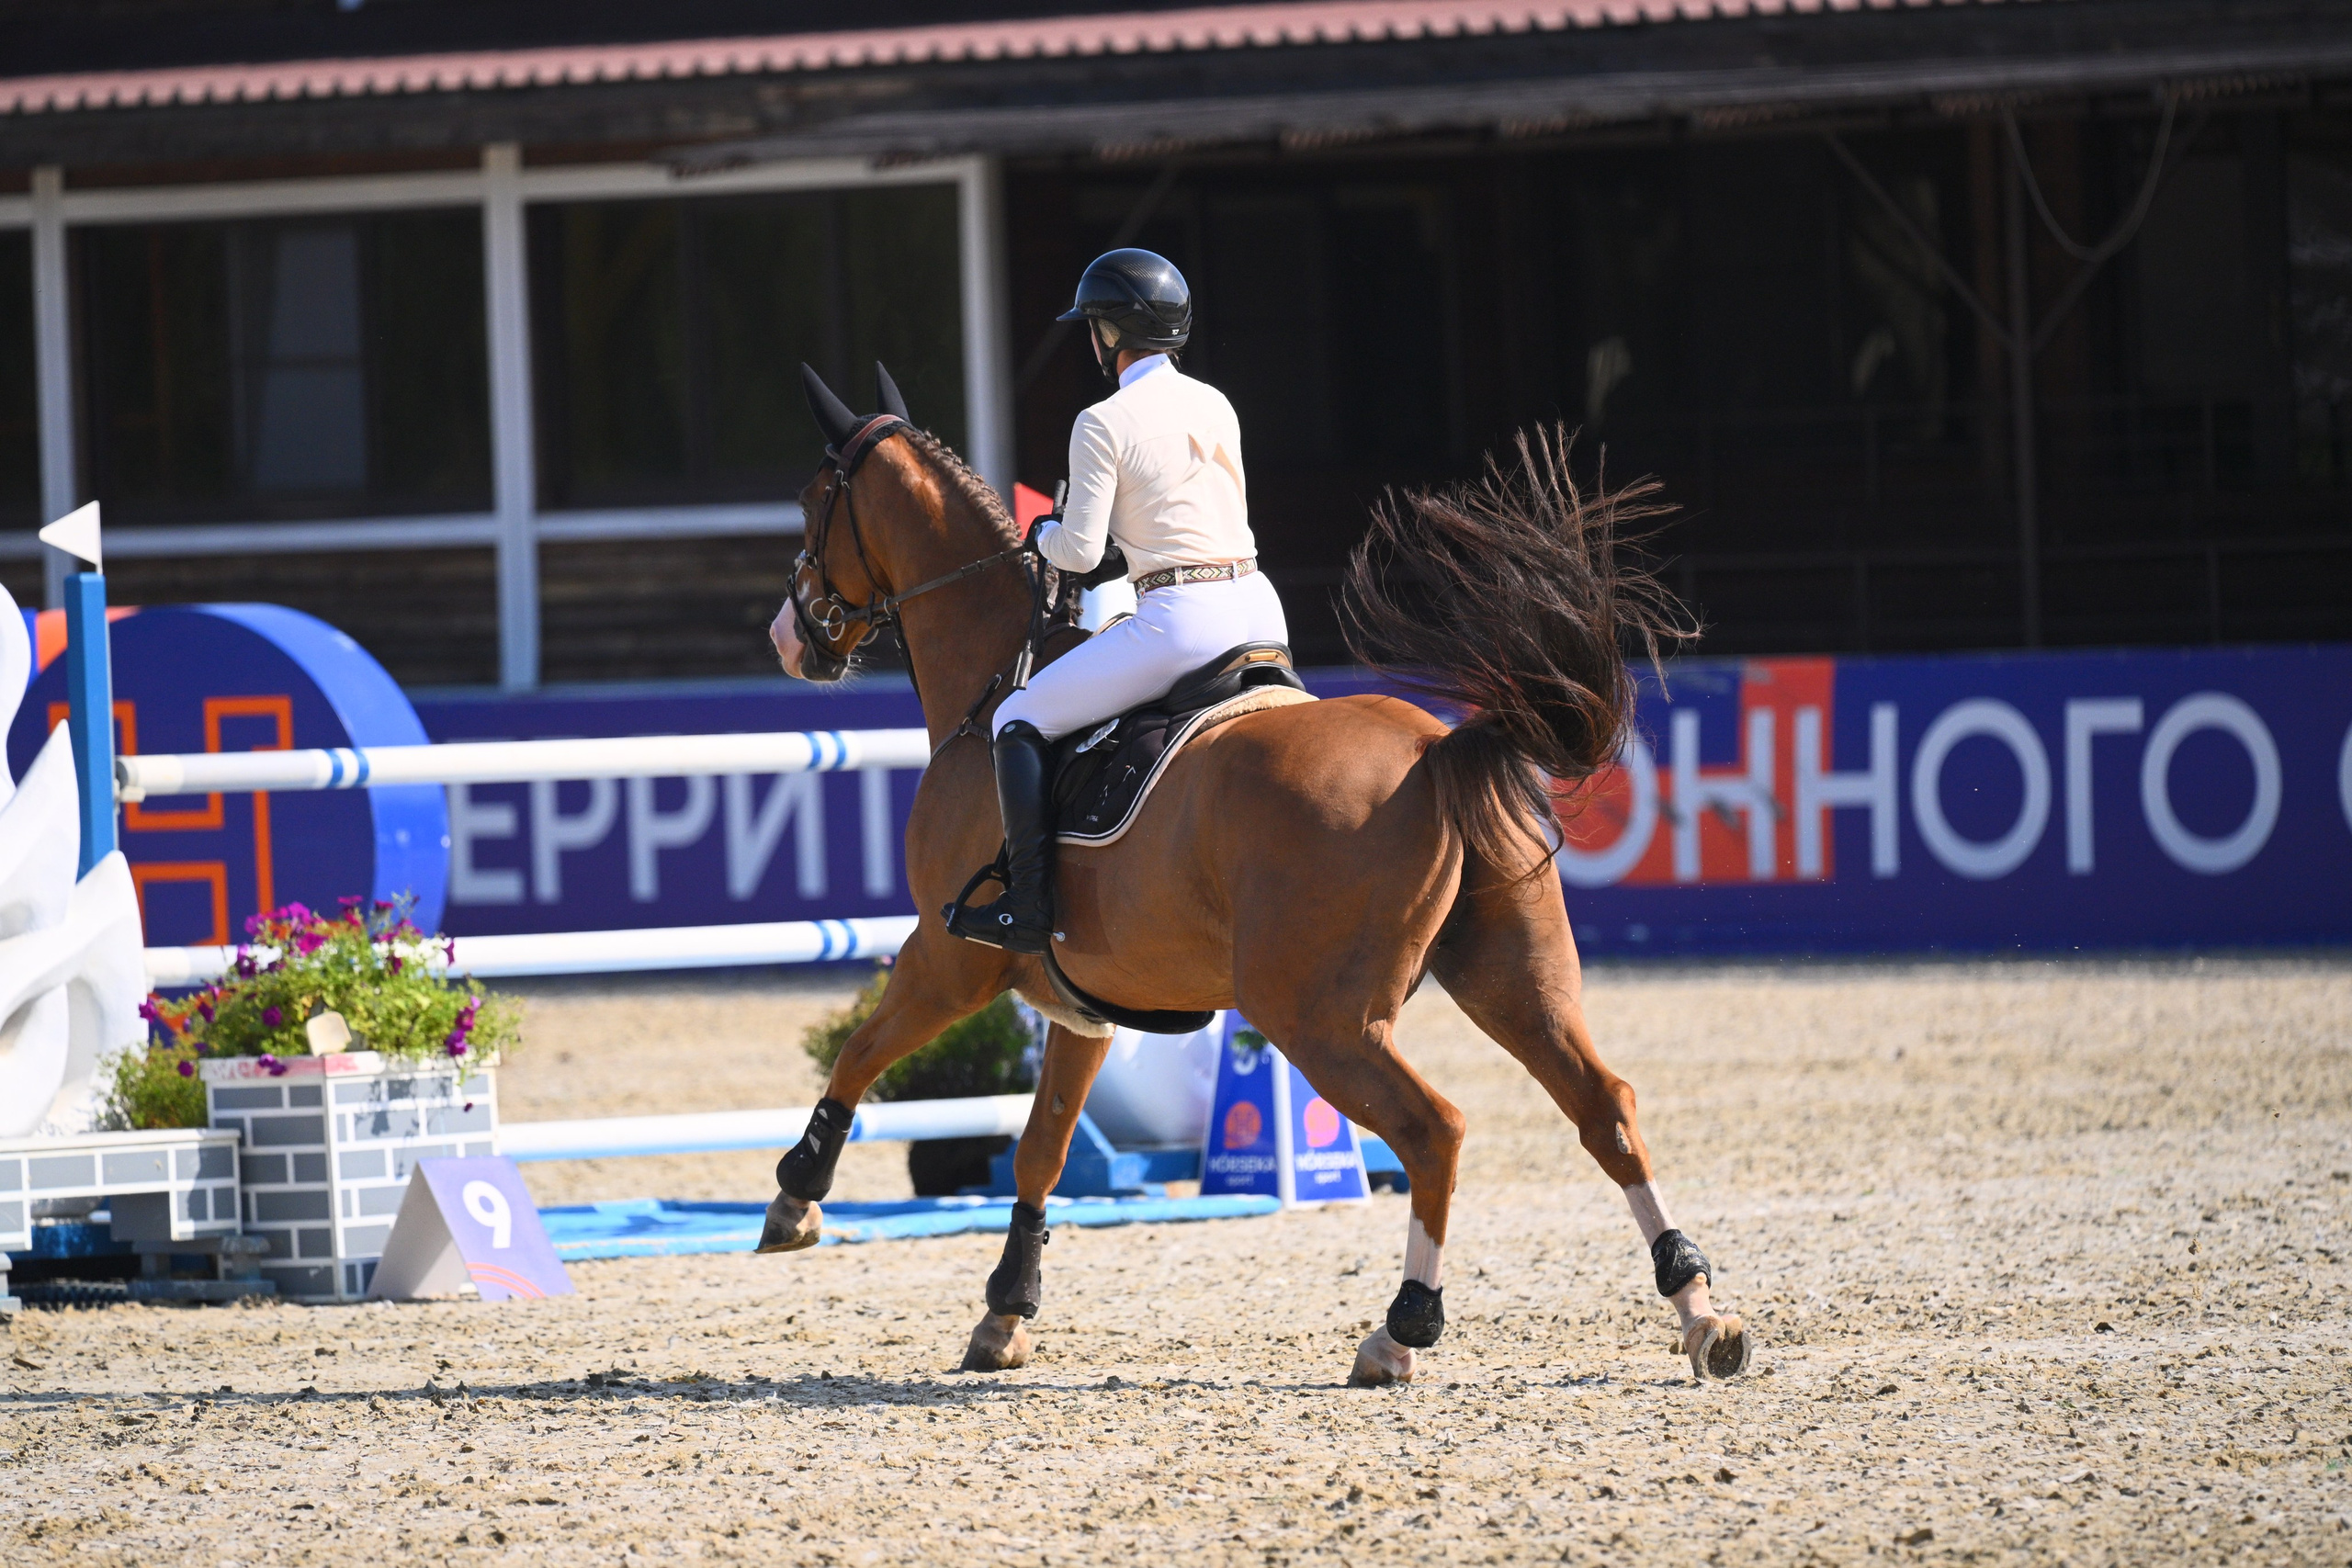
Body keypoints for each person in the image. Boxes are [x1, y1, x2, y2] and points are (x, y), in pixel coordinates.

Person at [945, 248, 1288, 955]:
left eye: (1094, 328)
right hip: (1260, 608)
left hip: (1181, 622)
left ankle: (1028, 904)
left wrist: (1041, 532)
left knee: (1017, 716)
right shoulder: (1217, 404)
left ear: (1109, 332)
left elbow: (1077, 551)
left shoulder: (1101, 421)